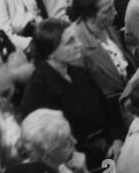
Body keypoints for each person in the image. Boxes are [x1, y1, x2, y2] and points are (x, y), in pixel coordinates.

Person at [21, 19, 124, 163]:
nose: (79, 45)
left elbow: (109, 112)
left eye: (76, 38)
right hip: (80, 163)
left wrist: (117, 140)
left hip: (109, 151)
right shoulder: (37, 92)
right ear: (50, 52)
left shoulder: (79, 74)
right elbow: (50, 147)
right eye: (70, 42)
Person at [68, 0, 135, 96]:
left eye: (113, 6)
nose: (115, 12)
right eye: (107, 10)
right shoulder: (76, 47)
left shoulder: (108, 28)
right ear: (90, 17)